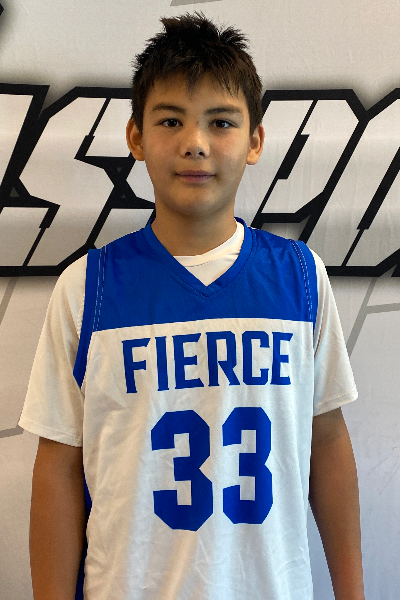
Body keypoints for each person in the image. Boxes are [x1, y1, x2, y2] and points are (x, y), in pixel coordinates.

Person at [19, 12, 365, 600]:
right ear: (136, 138)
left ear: (255, 141)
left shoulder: (301, 277)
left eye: (221, 122)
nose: (195, 143)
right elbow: (58, 466)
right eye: (171, 120)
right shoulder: (87, 289)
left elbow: (327, 440)